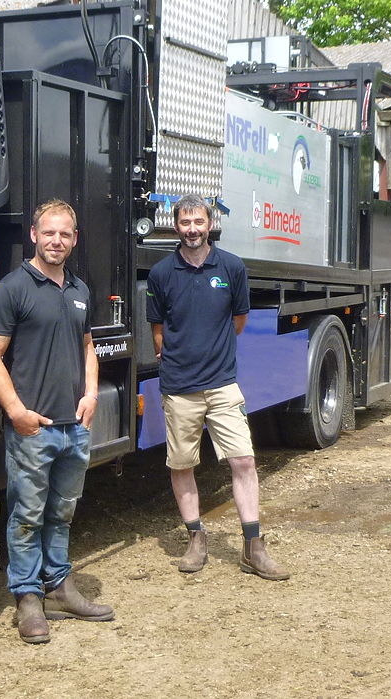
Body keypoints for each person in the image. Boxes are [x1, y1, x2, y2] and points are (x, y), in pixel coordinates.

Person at [0, 199, 115, 644]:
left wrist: (91, 394)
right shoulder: (13, 289)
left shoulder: (78, 290)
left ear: (74, 240)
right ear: (33, 235)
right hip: (33, 429)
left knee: (62, 512)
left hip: (73, 429)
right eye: (49, 232)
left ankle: (58, 587)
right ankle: (27, 598)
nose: (57, 240)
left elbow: (87, 347)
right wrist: (16, 412)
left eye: (65, 234)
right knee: (27, 515)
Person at [145, 194, 289, 581]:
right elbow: (157, 330)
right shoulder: (161, 273)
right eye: (185, 222)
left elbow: (238, 319)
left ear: (210, 225)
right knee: (182, 464)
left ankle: (253, 546)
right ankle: (196, 537)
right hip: (179, 387)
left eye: (199, 222)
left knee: (243, 459)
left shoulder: (231, 267)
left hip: (222, 383)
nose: (192, 229)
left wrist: (213, 352)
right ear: (175, 226)